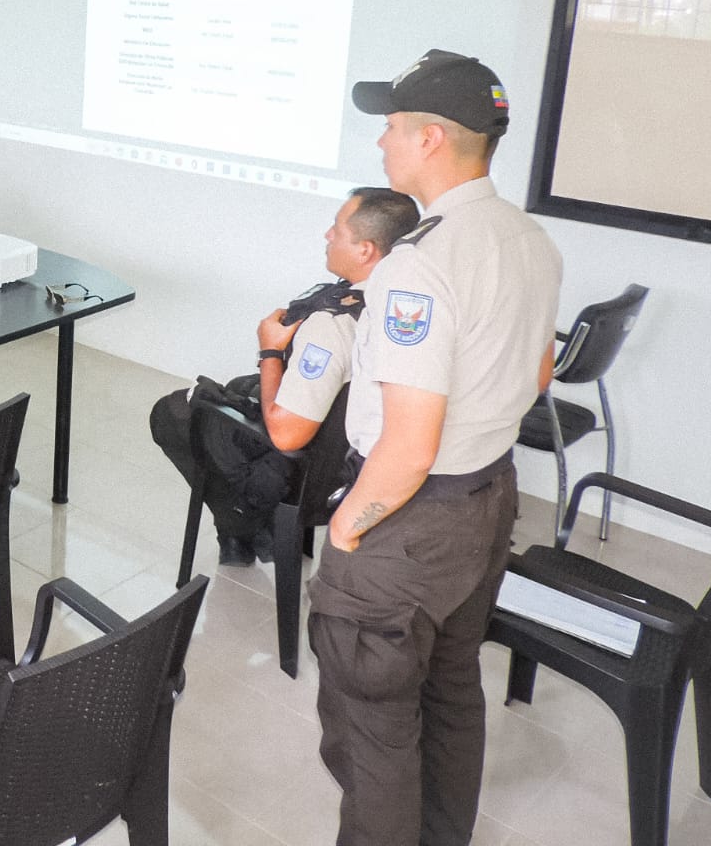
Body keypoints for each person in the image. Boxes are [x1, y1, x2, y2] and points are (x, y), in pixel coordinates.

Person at [307, 49, 561, 846]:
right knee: (451, 693)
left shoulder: (417, 266)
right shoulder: (529, 238)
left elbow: (409, 448)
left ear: (429, 139)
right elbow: (539, 376)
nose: (382, 142)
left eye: (391, 127)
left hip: (412, 521)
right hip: (488, 501)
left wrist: (346, 530)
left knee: (373, 731)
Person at [149, 188, 417, 565]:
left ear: (365, 250)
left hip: (311, 475)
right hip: (358, 456)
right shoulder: (407, 304)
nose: (327, 235)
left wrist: (270, 351)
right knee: (239, 387)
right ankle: (242, 533)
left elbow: (287, 435)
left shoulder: (331, 326)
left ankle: (240, 525)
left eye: (337, 229)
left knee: (172, 413)